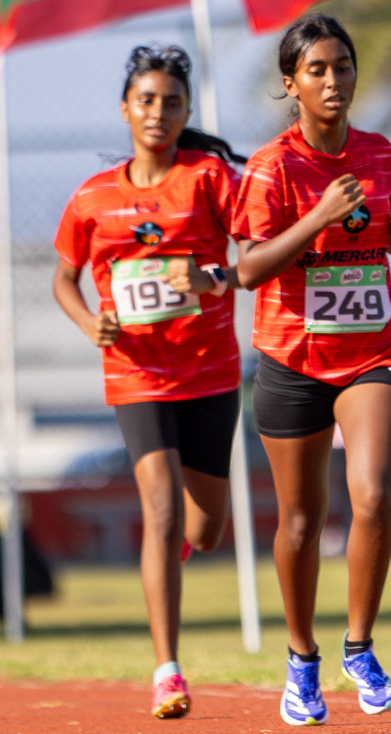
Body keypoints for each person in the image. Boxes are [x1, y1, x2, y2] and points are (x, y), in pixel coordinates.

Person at [232, 13, 391, 725]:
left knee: (372, 494)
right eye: (317, 69)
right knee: (302, 520)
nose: (333, 80)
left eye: (342, 66)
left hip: (375, 351)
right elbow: (248, 268)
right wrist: (313, 220)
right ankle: (301, 660)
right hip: (291, 359)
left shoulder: (378, 154)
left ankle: (360, 646)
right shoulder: (272, 167)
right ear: (291, 84)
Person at [52, 45, 245, 720]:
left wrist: (210, 278)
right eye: (146, 100)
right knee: (159, 511)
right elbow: (63, 280)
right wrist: (90, 325)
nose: (157, 112)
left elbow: (253, 256)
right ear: (125, 109)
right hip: (136, 372)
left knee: (206, 527)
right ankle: (167, 669)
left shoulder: (210, 178)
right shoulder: (93, 197)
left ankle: (176, 552)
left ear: (187, 110)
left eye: (170, 102)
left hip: (211, 370)